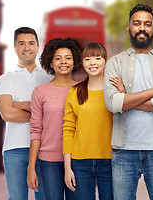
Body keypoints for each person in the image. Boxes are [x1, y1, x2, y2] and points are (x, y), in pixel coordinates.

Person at [103, 3, 153, 200]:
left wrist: (126, 98)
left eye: (147, 24)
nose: (142, 28)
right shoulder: (115, 63)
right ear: (129, 28)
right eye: (137, 23)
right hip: (124, 151)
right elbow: (113, 104)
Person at [0, 27, 50, 200]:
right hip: (15, 149)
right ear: (15, 48)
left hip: (45, 149)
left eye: (31, 43)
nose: (27, 47)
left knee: (46, 197)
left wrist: (21, 105)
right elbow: (8, 114)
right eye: (21, 43)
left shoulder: (49, 77)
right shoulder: (5, 79)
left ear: (38, 46)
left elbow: (57, 113)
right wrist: (41, 114)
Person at [27, 38, 82, 200]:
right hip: (48, 161)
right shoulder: (40, 91)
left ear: (74, 62)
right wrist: (31, 167)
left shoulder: (81, 90)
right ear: (50, 63)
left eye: (68, 58)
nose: (63, 62)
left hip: (77, 160)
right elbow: (36, 131)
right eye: (58, 58)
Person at [63, 43, 113, 200]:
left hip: (111, 161)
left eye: (98, 58)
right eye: (88, 59)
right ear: (82, 63)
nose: (93, 63)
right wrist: (67, 168)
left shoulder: (115, 90)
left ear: (105, 61)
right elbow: (68, 130)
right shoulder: (74, 92)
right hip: (80, 163)